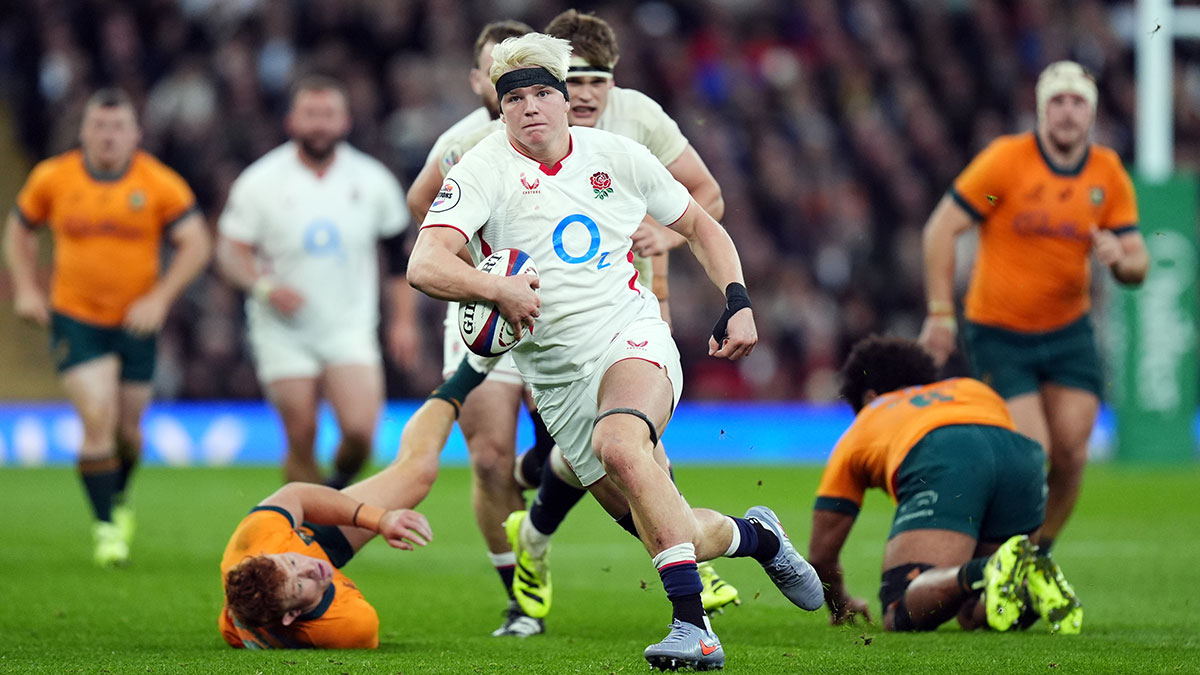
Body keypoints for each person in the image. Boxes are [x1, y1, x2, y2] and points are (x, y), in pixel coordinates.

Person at [407, 33, 823, 670]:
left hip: (630, 337)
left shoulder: (617, 155)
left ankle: (693, 630)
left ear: (565, 96)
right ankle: (758, 537)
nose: (530, 107)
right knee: (672, 528)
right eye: (514, 98)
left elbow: (701, 225)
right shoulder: (481, 169)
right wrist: (497, 288)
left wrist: (736, 298)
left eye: (544, 92)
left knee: (622, 443)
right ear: (501, 107)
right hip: (556, 379)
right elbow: (424, 263)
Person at [917, 61, 1149, 558]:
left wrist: (1119, 259)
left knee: (1071, 453)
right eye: (1057, 102)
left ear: (1092, 112)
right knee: (1033, 451)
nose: (1067, 112)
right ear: (1041, 110)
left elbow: (1138, 265)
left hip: (1068, 333)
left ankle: (1033, 555)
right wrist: (940, 313)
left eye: (1077, 102)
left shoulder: (1106, 175)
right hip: (1000, 332)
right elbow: (942, 228)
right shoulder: (1007, 166)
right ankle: (996, 552)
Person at [4, 88, 212, 567]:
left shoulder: (158, 184)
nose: (108, 136)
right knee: (96, 415)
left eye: (118, 127)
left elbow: (196, 242)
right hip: (75, 316)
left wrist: (160, 298)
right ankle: (106, 529)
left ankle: (116, 497)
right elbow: (18, 230)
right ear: (84, 132)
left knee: (128, 433)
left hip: (136, 322)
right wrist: (27, 288)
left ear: (135, 134)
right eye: (99, 126)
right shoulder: (52, 178)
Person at [216, 75, 418, 488]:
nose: (319, 124)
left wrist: (404, 320)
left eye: (328, 115)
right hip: (283, 330)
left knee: (361, 434)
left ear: (345, 122)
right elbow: (230, 251)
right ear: (292, 121)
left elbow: (399, 257)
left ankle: (335, 485)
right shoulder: (261, 181)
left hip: (349, 326)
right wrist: (264, 286)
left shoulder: (372, 180)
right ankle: (305, 527)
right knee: (301, 433)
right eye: (310, 114)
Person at [806, 335, 1083, 634]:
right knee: (973, 605)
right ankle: (1028, 587)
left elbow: (822, 555)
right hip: (1021, 457)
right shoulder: (969, 388)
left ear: (870, 397)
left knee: (900, 605)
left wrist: (839, 603)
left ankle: (987, 568)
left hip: (942, 451)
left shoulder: (869, 417)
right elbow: (989, 450)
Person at [219, 472, 433, 649]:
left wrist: (380, 519)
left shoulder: (256, 539)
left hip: (304, 542)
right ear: (292, 615)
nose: (311, 568)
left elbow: (296, 494)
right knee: (418, 475)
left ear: (268, 555)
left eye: (292, 563)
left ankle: (454, 416)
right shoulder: (350, 624)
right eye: (300, 584)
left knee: (418, 476)